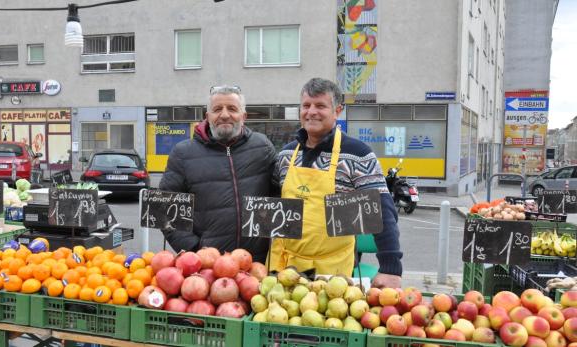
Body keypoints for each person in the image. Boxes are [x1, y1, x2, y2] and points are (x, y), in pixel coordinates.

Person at [269, 77, 403, 288]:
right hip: (286, 267)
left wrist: (390, 267)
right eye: (306, 105)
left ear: (337, 111)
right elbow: (274, 206)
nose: (311, 112)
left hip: (333, 274)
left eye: (320, 105)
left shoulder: (358, 155)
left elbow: (381, 211)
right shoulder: (286, 155)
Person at [159, 85, 276, 262]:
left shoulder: (263, 147)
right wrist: (195, 249)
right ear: (208, 117)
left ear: (243, 117)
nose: (224, 115)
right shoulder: (182, 154)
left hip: (256, 264)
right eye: (217, 109)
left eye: (232, 109)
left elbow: (277, 196)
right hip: (206, 269)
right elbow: (165, 212)